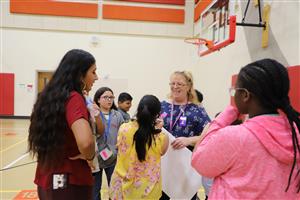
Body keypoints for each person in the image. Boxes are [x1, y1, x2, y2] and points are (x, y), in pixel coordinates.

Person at [191, 58, 300, 199]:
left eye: (234, 90)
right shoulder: (295, 133)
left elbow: (200, 162)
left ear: (245, 95)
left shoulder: (236, 136)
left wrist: (223, 118)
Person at [28, 49, 102, 199]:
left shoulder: (47, 97)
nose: (96, 77)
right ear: (80, 75)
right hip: (69, 181)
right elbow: (86, 142)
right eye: (93, 72)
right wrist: (89, 156)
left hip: (46, 176)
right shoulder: (74, 98)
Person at [160, 71, 211, 200]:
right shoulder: (162, 106)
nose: (175, 87)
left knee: (185, 196)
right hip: (163, 162)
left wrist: (189, 140)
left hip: (186, 164)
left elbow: (210, 135)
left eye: (180, 84)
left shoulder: (197, 110)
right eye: (173, 83)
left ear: (188, 87)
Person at [109, 95, 169, 199]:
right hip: (147, 191)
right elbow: (162, 152)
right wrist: (159, 129)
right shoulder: (161, 137)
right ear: (156, 115)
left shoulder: (124, 128)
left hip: (120, 189)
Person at [92, 87, 124, 200]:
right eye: (105, 97)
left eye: (111, 97)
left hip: (113, 158)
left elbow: (123, 136)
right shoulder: (93, 115)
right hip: (95, 159)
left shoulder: (118, 115)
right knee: (94, 191)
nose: (109, 100)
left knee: (115, 189)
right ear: (98, 99)